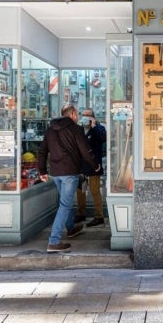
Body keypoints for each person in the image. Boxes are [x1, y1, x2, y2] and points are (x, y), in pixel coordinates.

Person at [37, 104, 100, 253]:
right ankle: (54, 241)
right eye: (77, 114)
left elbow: (42, 151)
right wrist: (95, 165)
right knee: (65, 205)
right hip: (69, 172)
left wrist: (42, 170)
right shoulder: (75, 129)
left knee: (64, 202)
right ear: (72, 114)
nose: (78, 117)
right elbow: (85, 149)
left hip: (56, 173)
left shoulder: (50, 129)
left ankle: (71, 228)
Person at [77, 108, 107, 227]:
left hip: (94, 165)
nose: (85, 117)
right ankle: (81, 213)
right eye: (83, 115)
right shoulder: (79, 129)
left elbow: (103, 139)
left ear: (93, 117)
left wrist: (94, 126)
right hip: (81, 165)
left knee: (95, 191)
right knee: (80, 191)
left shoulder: (98, 128)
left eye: (88, 115)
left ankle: (99, 216)